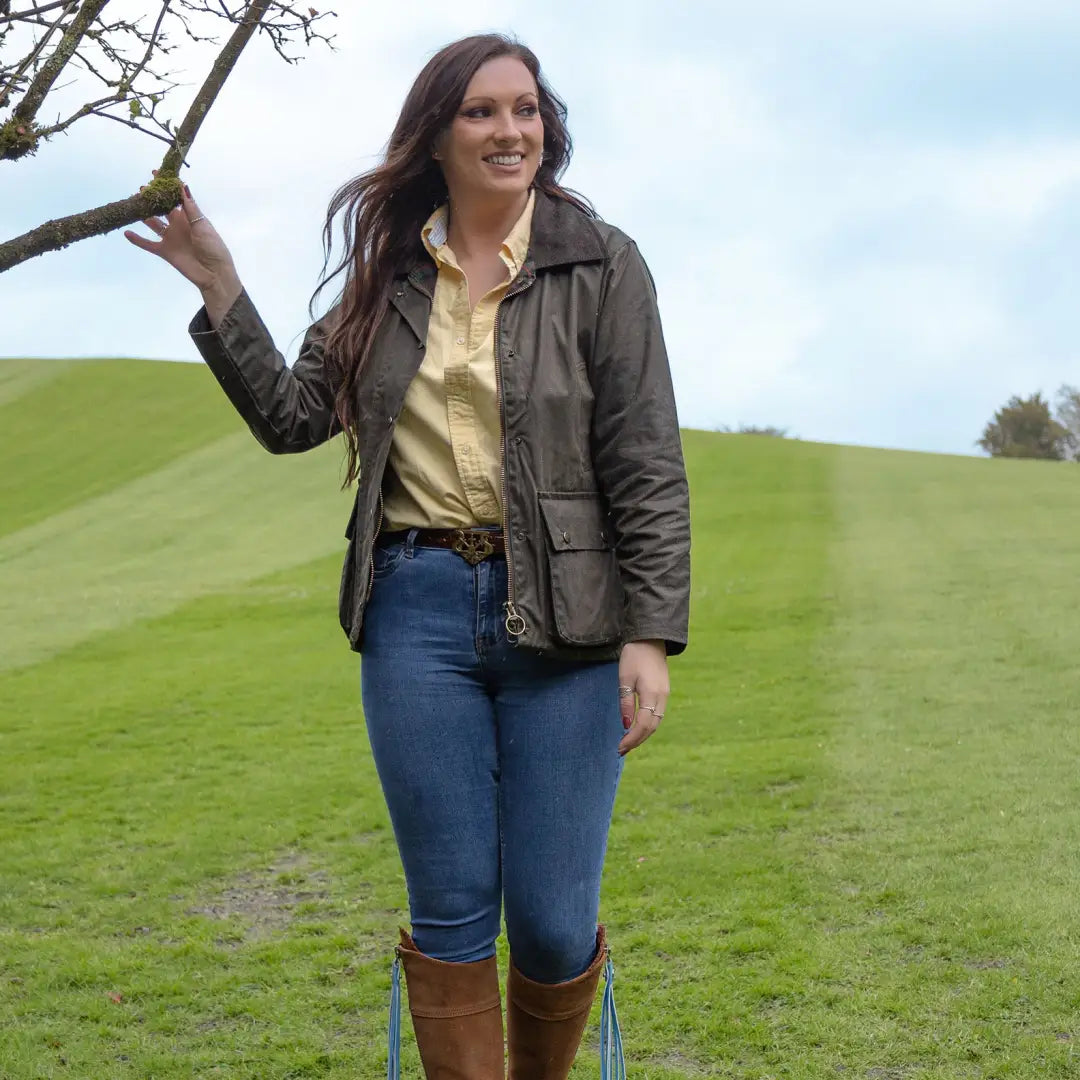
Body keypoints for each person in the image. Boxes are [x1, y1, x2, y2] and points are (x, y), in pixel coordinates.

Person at [126, 32, 690, 1080]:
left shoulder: (600, 261)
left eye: (525, 109)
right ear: (437, 134)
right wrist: (220, 286)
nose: (509, 129)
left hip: (566, 617)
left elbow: (645, 456)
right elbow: (297, 418)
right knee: (450, 914)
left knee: (558, 924)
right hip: (416, 610)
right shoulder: (386, 271)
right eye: (481, 111)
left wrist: (650, 632)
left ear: (548, 127)